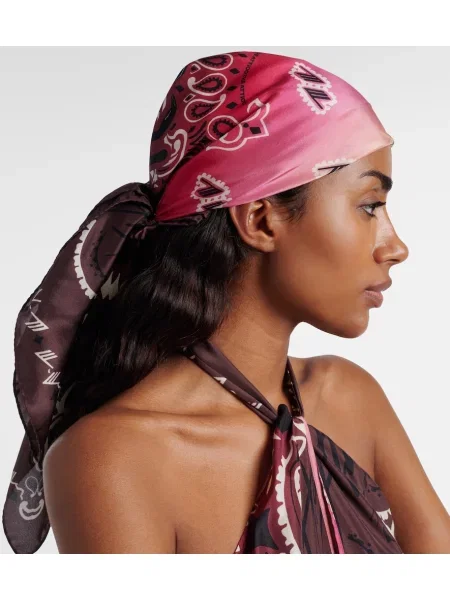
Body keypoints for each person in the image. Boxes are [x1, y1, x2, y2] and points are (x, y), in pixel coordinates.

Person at [3, 51, 450, 554]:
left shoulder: (351, 399)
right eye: (370, 206)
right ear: (260, 220)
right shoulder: (116, 459)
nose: (396, 246)